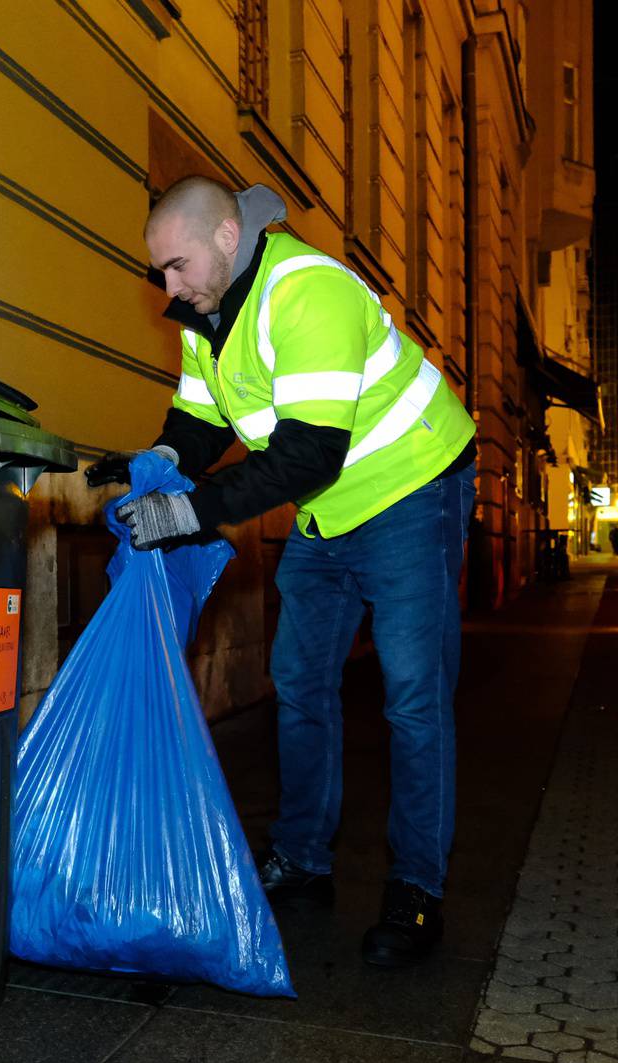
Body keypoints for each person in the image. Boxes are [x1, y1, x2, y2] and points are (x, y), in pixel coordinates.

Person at [84, 177, 477, 968]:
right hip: (329, 510)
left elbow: (305, 453)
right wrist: (158, 464)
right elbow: (200, 420)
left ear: (227, 237)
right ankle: (302, 858)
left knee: (412, 697)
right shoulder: (208, 313)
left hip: (410, 488)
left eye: (176, 266)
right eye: (160, 272)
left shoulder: (309, 291)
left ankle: (417, 888)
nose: (169, 286)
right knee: (299, 683)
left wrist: (188, 514)